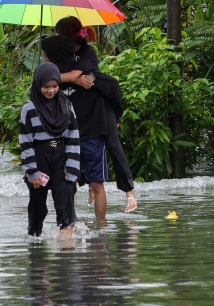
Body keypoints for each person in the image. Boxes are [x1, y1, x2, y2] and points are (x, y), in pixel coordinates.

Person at [42, 17, 137, 214]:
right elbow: (58, 77)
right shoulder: (59, 55)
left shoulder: (87, 51)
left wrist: (81, 78)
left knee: (112, 145)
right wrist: (73, 80)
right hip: (80, 111)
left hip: (103, 105)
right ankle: (92, 188)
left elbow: (92, 75)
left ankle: (129, 192)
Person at [19, 63, 81, 237]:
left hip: (62, 161)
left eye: (55, 86)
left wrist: (72, 169)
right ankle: (35, 251)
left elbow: (74, 139)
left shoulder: (67, 107)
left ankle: (66, 257)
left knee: (66, 211)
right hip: (39, 161)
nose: (51, 91)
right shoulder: (29, 110)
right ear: (38, 85)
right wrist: (32, 173)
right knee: (37, 209)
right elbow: (26, 142)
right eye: (46, 87)